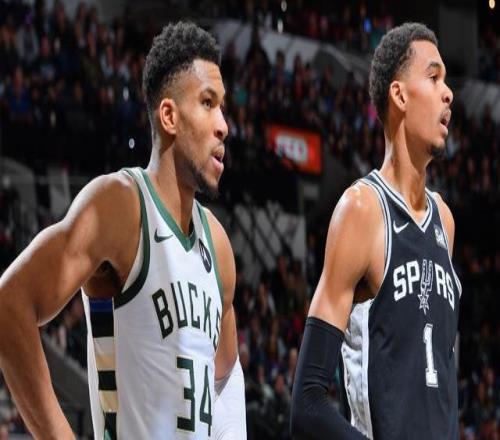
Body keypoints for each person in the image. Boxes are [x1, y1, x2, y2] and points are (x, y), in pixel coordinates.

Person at [0, 21, 246, 439]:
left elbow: (224, 375)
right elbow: (10, 304)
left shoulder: (218, 244)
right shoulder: (120, 205)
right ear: (169, 116)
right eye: (208, 103)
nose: (223, 125)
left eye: (222, 107)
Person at [291, 22, 460, 439]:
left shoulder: (445, 221)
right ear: (399, 95)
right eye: (434, 77)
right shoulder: (362, 210)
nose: (448, 93)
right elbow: (307, 403)